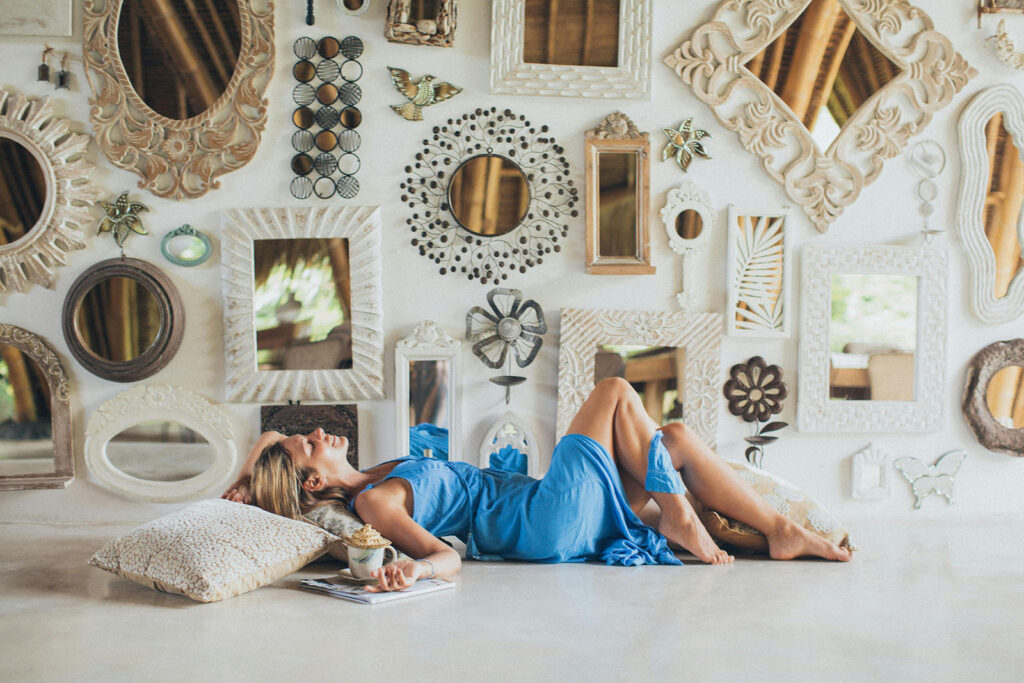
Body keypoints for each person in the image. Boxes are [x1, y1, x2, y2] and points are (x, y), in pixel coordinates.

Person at [222, 378, 851, 591]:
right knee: (613, 391)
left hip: (548, 513)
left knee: (677, 438)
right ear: (311, 481)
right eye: (309, 443)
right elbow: (443, 557)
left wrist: (246, 477)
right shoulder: (374, 501)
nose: (321, 432)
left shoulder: (378, 473)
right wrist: (415, 570)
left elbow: (270, 441)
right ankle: (682, 517)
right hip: (541, 519)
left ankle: (780, 532)